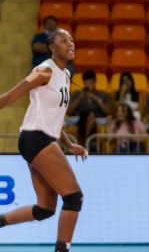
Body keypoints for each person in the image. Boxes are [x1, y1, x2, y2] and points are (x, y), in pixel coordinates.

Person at [0, 28, 87, 252]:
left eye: (72, 40)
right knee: (74, 197)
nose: (71, 43)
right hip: (35, 138)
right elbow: (11, 96)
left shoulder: (65, 75)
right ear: (51, 47)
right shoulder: (44, 70)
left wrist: (69, 144)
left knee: (45, 209)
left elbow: (54, 118)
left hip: (40, 139)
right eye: (64, 40)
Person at [66, 70, 112, 149]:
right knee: (63, 122)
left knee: (100, 119)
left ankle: (84, 143)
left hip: (98, 119)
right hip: (79, 118)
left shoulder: (103, 94)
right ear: (83, 83)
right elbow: (69, 111)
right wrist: (80, 98)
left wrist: (97, 99)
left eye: (91, 83)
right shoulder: (77, 94)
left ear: (95, 82)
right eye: (86, 83)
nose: (89, 85)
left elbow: (109, 111)